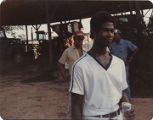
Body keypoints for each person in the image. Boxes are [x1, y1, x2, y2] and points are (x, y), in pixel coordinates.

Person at [69, 11, 135, 120]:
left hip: (118, 117)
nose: (110, 34)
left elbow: (121, 93)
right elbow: (76, 104)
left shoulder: (119, 63)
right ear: (93, 33)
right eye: (105, 30)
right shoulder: (80, 66)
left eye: (112, 31)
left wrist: (127, 109)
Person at [109, 29, 139, 101]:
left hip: (124, 66)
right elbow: (108, 54)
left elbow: (136, 49)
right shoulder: (112, 45)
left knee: (125, 81)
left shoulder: (126, 43)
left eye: (117, 34)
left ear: (120, 35)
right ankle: (118, 99)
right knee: (115, 81)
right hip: (114, 66)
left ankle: (128, 99)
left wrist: (130, 59)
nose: (115, 36)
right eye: (114, 35)